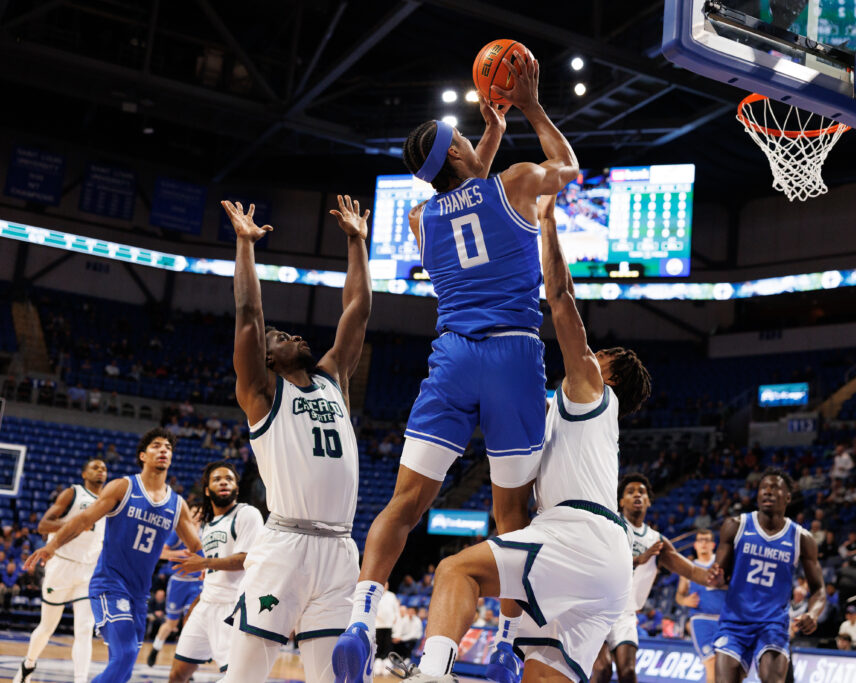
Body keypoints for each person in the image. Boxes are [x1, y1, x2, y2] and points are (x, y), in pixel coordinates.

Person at [334, 55, 582, 683]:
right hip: (513, 356)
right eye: (469, 140)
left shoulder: (421, 219)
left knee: (405, 503)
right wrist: (527, 107)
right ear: (458, 152)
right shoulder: (521, 181)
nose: (478, 142)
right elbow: (568, 169)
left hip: (451, 357)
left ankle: (361, 619)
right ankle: (506, 642)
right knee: (512, 517)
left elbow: (467, 184)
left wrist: (489, 132)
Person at [381, 193, 658, 683]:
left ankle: (431, 674)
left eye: (601, 356)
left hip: (575, 535)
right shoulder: (571, 414)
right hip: (606, 567)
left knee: (454, 572)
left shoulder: (591, 388)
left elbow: (561, 298)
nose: (591, 355)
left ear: (606, 374)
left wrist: (548, 222)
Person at [219, 194, 371, 683]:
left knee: (334, 677)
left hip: (340, 550)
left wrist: (356, 243)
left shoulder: (331, 378)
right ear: (265, 359)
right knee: (243, 676)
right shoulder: (262, 393)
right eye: (281, 337)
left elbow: (358, 309)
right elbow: (247, 313)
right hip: (285, 546)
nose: (294, 337)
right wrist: (246, 245)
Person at [24, 428, 199, 683]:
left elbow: (196, 547)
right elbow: (83, 519)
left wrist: (211, 561)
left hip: (139, 594)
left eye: (168, 448)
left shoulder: (177, 505)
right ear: (143, 455)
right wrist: (52, 547)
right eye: (157, 446)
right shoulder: (123, 487)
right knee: (125, 654)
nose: (164, 450)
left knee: (124, 668)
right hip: (109, 584)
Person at [593, 475, 716, 683]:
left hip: (625, 613)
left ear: (649, 501)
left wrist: (714, 577)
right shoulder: (610, 526)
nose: (637, 495)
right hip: (597, 609)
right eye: (630, 492)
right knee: (603, 669)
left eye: (641, 492)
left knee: (628, 672)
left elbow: (692, 572)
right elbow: (601, 561)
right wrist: (638, 559)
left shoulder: (656, 541)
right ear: (621, 502)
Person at [708, 469, 826, 683]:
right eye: (764, 488)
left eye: (775, 488)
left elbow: (819, 589)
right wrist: (717, 579)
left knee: (772, 679)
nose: (768, 492)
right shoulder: (735, 526)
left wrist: (814, 613)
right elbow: (720, 574)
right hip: (735, 622)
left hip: (772, 623)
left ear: (788, 497)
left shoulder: (801, 538)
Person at [165, 461, 263, 683]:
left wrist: (204, 563)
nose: (223, 482)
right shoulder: (208, 525)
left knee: (235, 677)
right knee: (178, 674)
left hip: (233, 607)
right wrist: (197, 603)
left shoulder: (247, 514)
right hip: (206, 605)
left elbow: (247, 559)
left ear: (236, 488)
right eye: (217, 479)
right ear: (208, 490)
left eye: (229, 479)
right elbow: (212, 573)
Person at [14, 458, 108, 683]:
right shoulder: (72, 493)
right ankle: (28, 664)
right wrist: (75, 524)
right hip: (61, 566)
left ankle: (80, 679)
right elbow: (43, 525)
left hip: (89, 571)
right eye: (95, 467)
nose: (101, 471)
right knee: (47, 627)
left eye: (104, 469)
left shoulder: (108, 501)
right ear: (84, 473)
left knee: (84, 629)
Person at [147, 526, 204, 667]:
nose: (197, 517)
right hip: (178, 580)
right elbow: (160, 552)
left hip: (197, 583)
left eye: (200, 514)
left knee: (190, 622)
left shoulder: (208, 532)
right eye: (194, 513)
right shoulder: (178, 533)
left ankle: (186, 662)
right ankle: (156, 647)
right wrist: (181, 554)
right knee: (170, 623)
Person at [675, 528, 727, 683]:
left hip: (725, 620)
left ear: (713, 544)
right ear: (695, 545)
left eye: (706, 540)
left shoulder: (722, 564)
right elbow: (679, 595)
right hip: (701, 620)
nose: (703, 543)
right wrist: (684, 601)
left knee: (726, 666)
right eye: (700, 540)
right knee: (710, 664)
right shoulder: (688, 568)